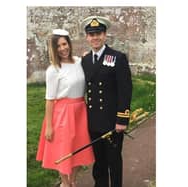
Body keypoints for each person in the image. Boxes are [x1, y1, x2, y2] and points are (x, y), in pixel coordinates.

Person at [36, 29, 95, 187]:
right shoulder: (53, 70)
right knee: (63, 150)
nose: (62, 48)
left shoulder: (79, 62)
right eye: (58, 46)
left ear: (69, 43)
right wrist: (49, 126)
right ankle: (64, 183)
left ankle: (73, 181)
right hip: (62, 113)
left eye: (64, 43)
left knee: (78, 149)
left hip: (81, 111)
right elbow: (49, 99)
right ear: (53, 49)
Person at [80, 16, 133, 187]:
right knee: (99, 162)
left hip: (112, 122)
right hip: (94, 122)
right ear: (86, 37)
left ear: (105, 35)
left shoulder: (117, 57)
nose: (95, 37)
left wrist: (122, 119)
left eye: (98, 33)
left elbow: (125, 90)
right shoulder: (86, 60)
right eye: (91, 34)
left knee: (114, 162)